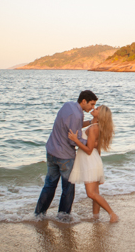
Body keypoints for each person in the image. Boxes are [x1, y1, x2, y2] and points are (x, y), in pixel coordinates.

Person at [35, 90, 97, 218]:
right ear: (84, 101)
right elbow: (73, 139)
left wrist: (91, 122)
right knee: (68, 188)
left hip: (51, 151)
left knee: (49, 185)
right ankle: (63, 216)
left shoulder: (67, 106)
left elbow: (72, 127)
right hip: (65, 157)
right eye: (91, 104)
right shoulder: (77, 115)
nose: (92, 108)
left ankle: (39, 214)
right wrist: (92, 143)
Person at [68, 105, 119, 222]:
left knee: (91, 193)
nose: (94, 108)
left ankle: (112, 214)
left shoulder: (93, 128)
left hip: (89, 160)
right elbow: (96, 149)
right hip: (93, 161)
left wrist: (75, 140)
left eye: (97, 109)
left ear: (100, 115)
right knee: (95, 193)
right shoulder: (96, 126)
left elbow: (88, 150)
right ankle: (96, 217)